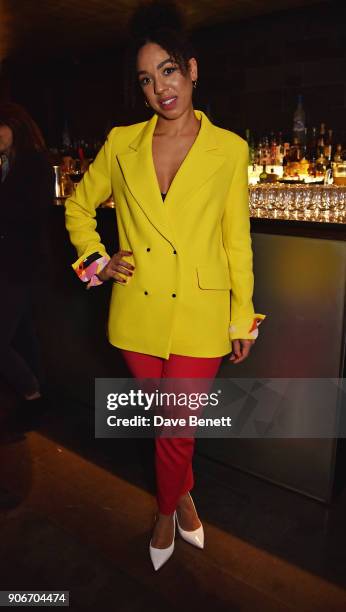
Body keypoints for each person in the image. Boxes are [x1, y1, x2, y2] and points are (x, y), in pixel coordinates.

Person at [64, 1, 266, 571]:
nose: (160, 88)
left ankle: (163, 512)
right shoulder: (122, 143)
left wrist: (242, 318)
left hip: (203, 314)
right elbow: (79, 207)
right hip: (137, 314)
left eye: (169, 71)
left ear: (193, 70)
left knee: (175, 427)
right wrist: (95, 263)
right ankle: (185, 496)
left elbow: (237, 242)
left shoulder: (229, 150)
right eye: (147, 80)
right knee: (166, 423)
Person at [0, 102, 54, 422]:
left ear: (15, 127)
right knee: (22, 334)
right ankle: (37, 399)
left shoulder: (34, 164)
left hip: (20, 262)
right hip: (9, 262)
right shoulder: (6, 161)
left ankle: (32, 394)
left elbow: (33, 213)